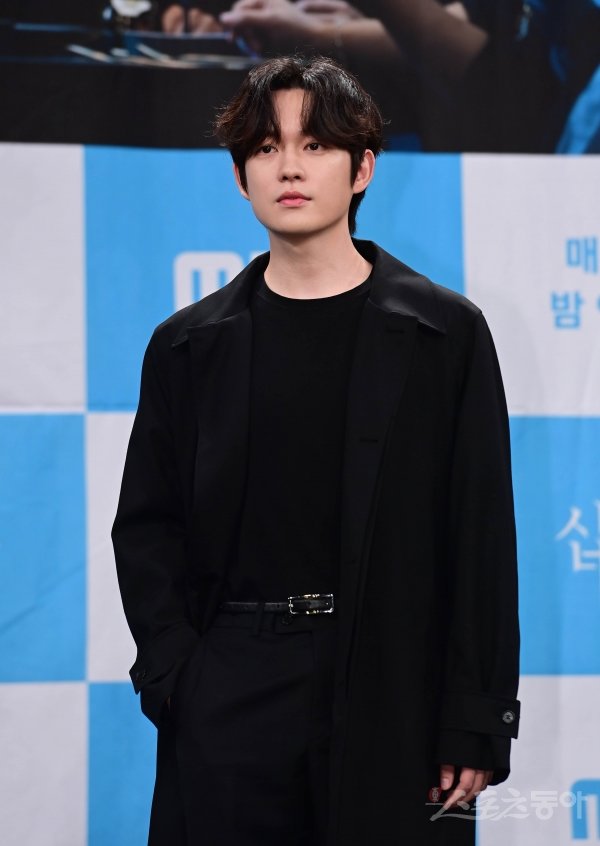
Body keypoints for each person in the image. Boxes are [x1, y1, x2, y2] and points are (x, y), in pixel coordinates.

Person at [112, 54, 520, 846]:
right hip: (231, 690)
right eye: (266, 147)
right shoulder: (188, 346)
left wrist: (476, 720)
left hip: (395, 689)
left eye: (315, 145)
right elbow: (148, 528)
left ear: (362, 168)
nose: (289, 167)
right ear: (240, 177)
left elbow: (479, 536)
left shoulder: (445, 334)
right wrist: (179, 681)